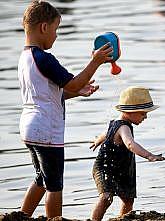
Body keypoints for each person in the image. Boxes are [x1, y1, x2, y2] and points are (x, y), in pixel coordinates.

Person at [18, 0, 113, 218]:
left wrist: (77, 91)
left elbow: (50, 92)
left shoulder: (25, 57)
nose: (56, 35)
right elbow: (71, 83)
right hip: (47, 130)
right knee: (54, 184)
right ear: (44, 27)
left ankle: (21, 216)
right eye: (56, 29)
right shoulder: (45, 58)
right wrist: (96, 62)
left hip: (29, 127)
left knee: (41, 178)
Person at [90, 86, 165, 221]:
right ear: (130, 112)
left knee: (128, 199)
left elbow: (106, 133)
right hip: (106, 167)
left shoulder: (118, 123)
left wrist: (98, 140)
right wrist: (149, 155)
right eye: (143, 113)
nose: (146, 117)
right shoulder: (123, 127)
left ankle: (122, 218)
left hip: (122, 168)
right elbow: (130, 144)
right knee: (106, 197)